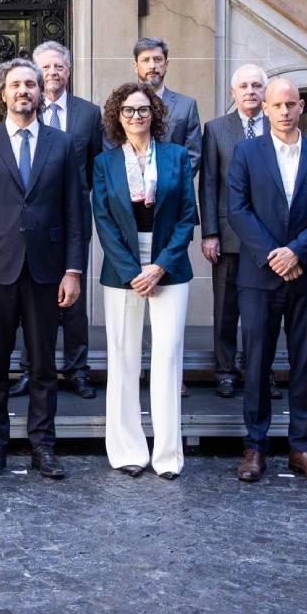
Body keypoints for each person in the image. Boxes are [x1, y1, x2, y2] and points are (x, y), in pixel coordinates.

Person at [0, 58, 84, 480]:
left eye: (30, 84)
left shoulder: (61, 143)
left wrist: (74, 270)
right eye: (15, 85)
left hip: (47, 271)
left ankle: (42, 446)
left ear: (40, 91)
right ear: (2, 93)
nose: (23, 91)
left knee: (44, 365)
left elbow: (74, 212)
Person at [227, 79, 307, 483]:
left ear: (302, 107)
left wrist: (298, 251)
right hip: (260, 276)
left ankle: (302, 446)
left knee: (305, 362)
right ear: (266, 108)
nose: (284, 111)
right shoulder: (246, 152)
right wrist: (275, 254)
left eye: (291, 104)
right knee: (256, 363)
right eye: (277, 104)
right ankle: (255, 446)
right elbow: (237, 210)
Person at [91, 83, 194, 479]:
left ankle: (168, 456)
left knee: (168, 357)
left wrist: (159, 266)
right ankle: (128, 451)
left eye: (144, 109)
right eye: (129, 110)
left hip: (169, 264)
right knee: (123, 357)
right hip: (122, 268)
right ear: (118, 117)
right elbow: (103, 220)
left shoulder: (177, 156)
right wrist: (134, 269)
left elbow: (188, 216)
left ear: (155, 114)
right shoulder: (105, 163)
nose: (137, 116)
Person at [9, 41, 101, 401]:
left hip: (73, 218)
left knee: (73, 300)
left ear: (69, 71)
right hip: (31, 223)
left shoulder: (88, 114)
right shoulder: (25, 109)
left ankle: (77, 369)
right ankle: (30, 370)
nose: (52, 74)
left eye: (58, 67)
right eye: (45, 68)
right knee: (30, 298)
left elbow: (97, 167)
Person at [201, 64, 282, 401]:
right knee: (226, 308)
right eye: (244, 86)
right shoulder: (217, 129)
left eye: (256, 85)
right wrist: (210, 232)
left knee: (263, 310)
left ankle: (260, 371)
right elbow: (208, 182)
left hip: (269, 238)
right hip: (229, 235)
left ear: (265, 92)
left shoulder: (279, 127)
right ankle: (225, 370)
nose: (250, 91)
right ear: (233, 93)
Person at [131, 37, 200, 176]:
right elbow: (111, 151)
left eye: (157, 59)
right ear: (136, 66)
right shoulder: (121, 105)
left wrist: (171, 185)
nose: (152, 66)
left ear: (166, 64)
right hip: (130, 190)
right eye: (145, 60)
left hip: (172, 191)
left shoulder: (186, 106)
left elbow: (193, 156)